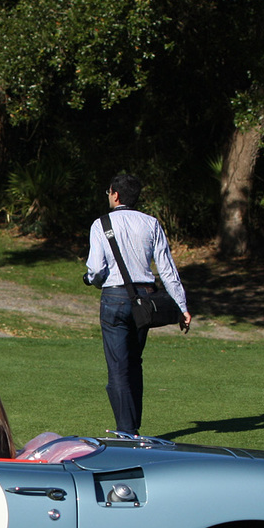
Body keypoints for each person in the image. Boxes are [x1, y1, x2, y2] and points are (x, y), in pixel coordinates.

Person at [84, 172, 191, 437]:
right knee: (134, 363)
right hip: (145, 298)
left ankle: (126, 431)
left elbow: (96, 269)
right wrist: (181, 306)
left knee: (118, 368)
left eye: (109, 192)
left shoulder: (101, 224)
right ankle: (133, 427)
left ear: (115, 194)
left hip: (114, 298)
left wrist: (90, 279)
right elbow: (167, 270)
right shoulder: (151, 223)